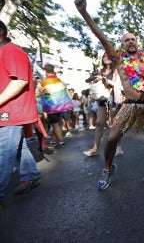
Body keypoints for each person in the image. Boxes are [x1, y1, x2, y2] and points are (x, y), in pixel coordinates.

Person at [74, 0, 144, 189]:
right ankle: (107, 169)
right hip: (129, 105)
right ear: (122, 45)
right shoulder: (118, 59)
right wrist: (84, 12)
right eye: (126, 40)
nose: (131, 42)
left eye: (133, 39)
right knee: (112, 139)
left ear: (137, 43)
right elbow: (100, 36)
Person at [0, 20, 41, 205]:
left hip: (11, 110)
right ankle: (30, 174)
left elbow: (20, 81)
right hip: (8, 110)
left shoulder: (11, 50)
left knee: (4, 151)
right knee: (16, 148)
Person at [83, 52, 115, 156]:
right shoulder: (100, 70)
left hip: (114, 98)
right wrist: (94, 77)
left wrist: (105, 79)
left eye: (108, 56)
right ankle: (95, 148)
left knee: (114, 124)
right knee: (99, 122)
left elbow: (119, 84)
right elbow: (87, 80)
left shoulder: (116, 70)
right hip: (103, 99)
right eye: (105, 56)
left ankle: (118, 147)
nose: (106, 57)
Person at [40, 64, 73, 148]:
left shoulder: (44, 82)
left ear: (45, 71)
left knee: (55, 124)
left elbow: (44, 94)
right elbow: (64, 92)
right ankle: (53, 140)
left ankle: (61, 141)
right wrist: (68, 104)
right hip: (60, 105)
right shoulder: (58, 80)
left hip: (51, 106)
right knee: (56, 123)